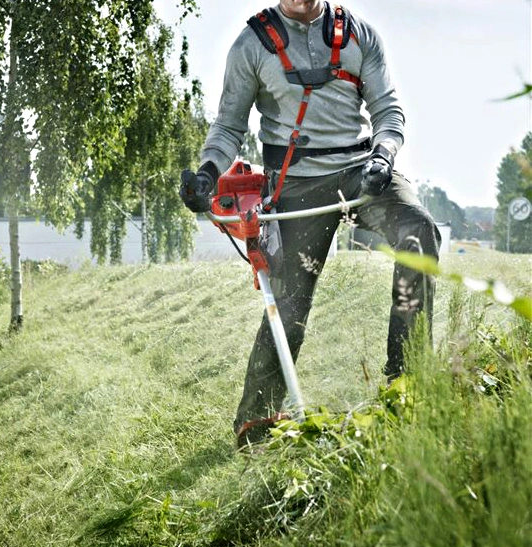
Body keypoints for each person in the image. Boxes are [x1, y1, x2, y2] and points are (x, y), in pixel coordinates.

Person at [180, 0, 441, 447]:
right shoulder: (251, 45)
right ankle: (256, 426)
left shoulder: (359, 35)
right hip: (295, 184)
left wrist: (383, 155)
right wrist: (206, 173)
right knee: (289, 305)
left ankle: (406, 386)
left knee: (418, 229)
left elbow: (389, 114)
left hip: (363, 172)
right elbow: (228, 127)